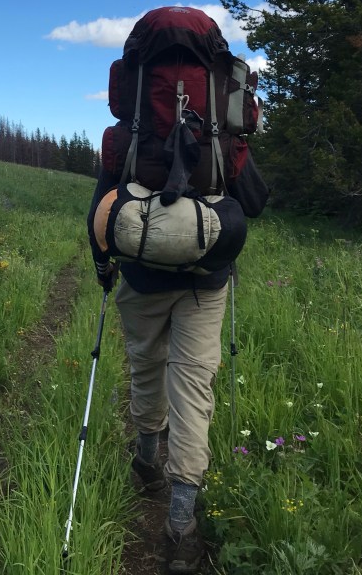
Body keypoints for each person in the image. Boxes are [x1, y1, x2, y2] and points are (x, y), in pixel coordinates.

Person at [87, 158, 261, 574]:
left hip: (141, 279)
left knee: (147, 367)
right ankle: (181, 525)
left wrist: (102, 267)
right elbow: (254, 202)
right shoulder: (222, 137)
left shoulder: (129, 133)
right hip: (206, 283)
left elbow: (101, 210)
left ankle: (147, 461)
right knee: (193, 387)